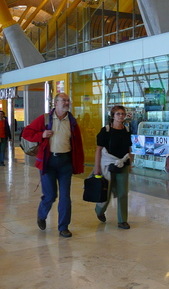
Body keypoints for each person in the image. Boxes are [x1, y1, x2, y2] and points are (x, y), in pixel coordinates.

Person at [22, 93, 84, 238]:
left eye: (68, 100)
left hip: (65, 162)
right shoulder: (44, 119)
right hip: (48, 162)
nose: (67, 103)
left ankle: (63, 227)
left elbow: (78, 145)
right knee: (50, 196)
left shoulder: (72, 122)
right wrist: (41, 135)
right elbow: (26, 132)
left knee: (65, 197)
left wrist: (78, 164)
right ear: (55, 103)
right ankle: (41, 215)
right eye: (64, 100)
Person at [93, 105, 132, 229]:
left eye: (122, 114)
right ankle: (99, 210)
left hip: (123, 164)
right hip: (108, 165)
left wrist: (130, 163)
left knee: (122, 193)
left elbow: (129, 149)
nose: (120, 116)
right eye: (118, 114)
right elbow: (99, 150)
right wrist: (96, 167)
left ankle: (122, 220)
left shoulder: (126, 130)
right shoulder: (106, 131)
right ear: (113, 116)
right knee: (106, 192)